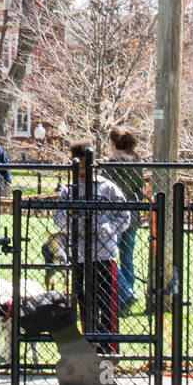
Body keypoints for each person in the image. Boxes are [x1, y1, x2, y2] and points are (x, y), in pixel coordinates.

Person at [53, 139, 130, 335]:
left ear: (92, 164)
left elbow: (124, 218)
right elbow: (58, 222)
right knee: (85, 304)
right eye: (77, 165)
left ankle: (109, 350)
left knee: (107, 304)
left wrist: (103, 228)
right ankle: (90, 344)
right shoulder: (68, 192)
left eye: (85, 166)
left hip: (104, 256)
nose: (81, 171)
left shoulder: (108, 189)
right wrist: (71, 215)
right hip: (79, 256)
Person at [105, 125, 143, 314]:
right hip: (134, 214)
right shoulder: (137, 161)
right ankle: (130, 291)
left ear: (113, 142)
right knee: (127, 257)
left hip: (114, 216)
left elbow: (105, 187)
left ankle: (124, 293)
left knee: (110, 256)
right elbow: (139, 188)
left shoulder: (112, 162)